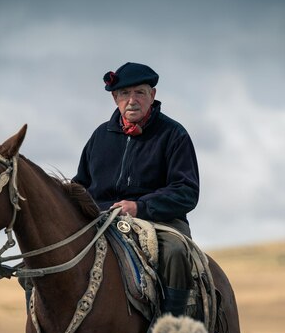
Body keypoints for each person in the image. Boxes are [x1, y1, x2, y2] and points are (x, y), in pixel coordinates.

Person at [72, 62, 200, 317]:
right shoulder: (99, 136)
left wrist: (140, 207)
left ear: (152, 95)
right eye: (124, 94)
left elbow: (186, 190)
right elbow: (81, 184)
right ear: (115, 98)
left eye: (139, 92)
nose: (132, 100)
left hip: (160, 221)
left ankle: (171, 329)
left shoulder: (174, 135)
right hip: (100, 219)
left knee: (175, 251)